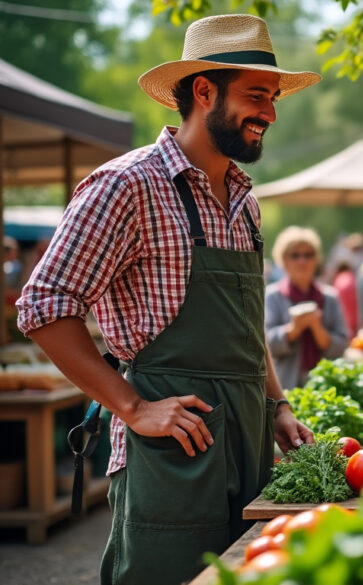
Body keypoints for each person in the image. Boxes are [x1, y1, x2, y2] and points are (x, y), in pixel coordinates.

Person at [15, 14, 319, 585]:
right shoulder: (126, 185)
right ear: (204, 92)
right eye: (258, 96)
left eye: (273, 98)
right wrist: (133, 408)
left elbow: (248, 329)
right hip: (174, 450)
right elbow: (44, 305)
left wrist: (276, 404)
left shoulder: (245, 200)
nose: (270, 115)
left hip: (249, 441)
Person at [265, 227, 349, 389]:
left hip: (327, 387)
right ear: (283, 260)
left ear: (316, 259)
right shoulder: (273, 296)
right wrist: (293, 329)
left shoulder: (330, 297)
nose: (302, 261)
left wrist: (317, 328)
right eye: (295, 255)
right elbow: (264, 346)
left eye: (308, 255)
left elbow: (342, 346)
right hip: (285, 387)